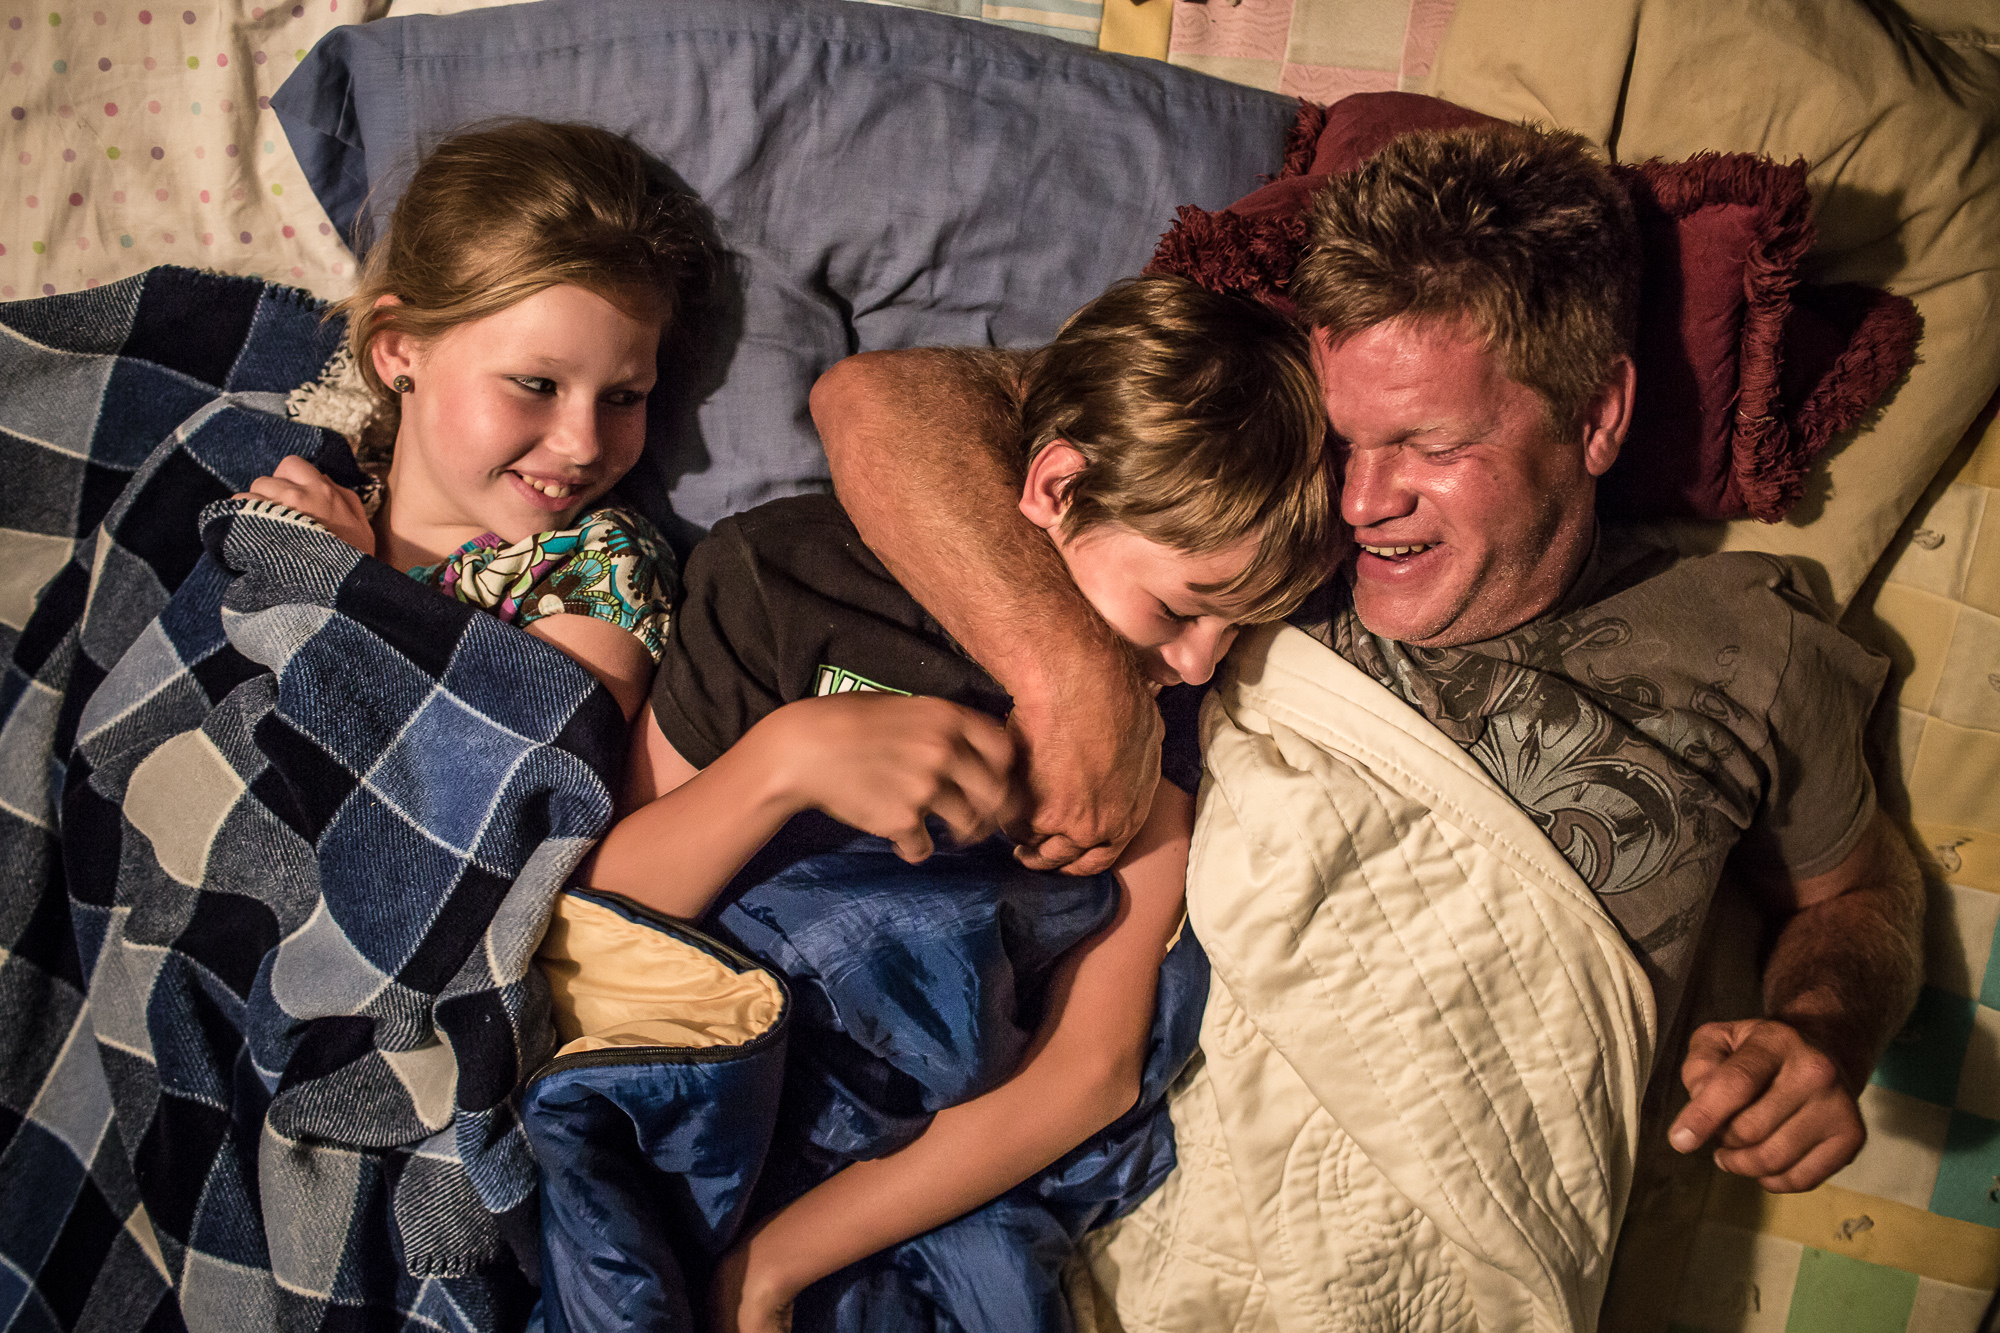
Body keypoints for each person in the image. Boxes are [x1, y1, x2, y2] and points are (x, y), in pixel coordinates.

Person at [811, 122, 1925, 1200]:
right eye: (1347, 441)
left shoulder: (1752, 644)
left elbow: (1858, 890)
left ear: (1596, 415)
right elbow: (882, 400)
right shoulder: (1265, 508)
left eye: (1431, 448)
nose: (1357, 502)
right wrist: (1073, 672)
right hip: (1080, 1170)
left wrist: (1822, 1028)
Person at [579, 275, 1334, 1331]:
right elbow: (608, 902)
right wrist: (786, 762)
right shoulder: (783, 588)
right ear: (1056, 485)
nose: (1200, 661)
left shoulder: (1156, 736)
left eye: (1239, 628)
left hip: (916, 1178)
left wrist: (775, 1265)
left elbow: (1091, 1074)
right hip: (717, 1073)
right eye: (1179, 606)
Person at [234, 120, 715, 718]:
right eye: (536, 385)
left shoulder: (598, 568)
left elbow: (498, 786)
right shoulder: (301, 466)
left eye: (624, 398)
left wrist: (348, 587)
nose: (584, 445)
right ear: (400, 350)